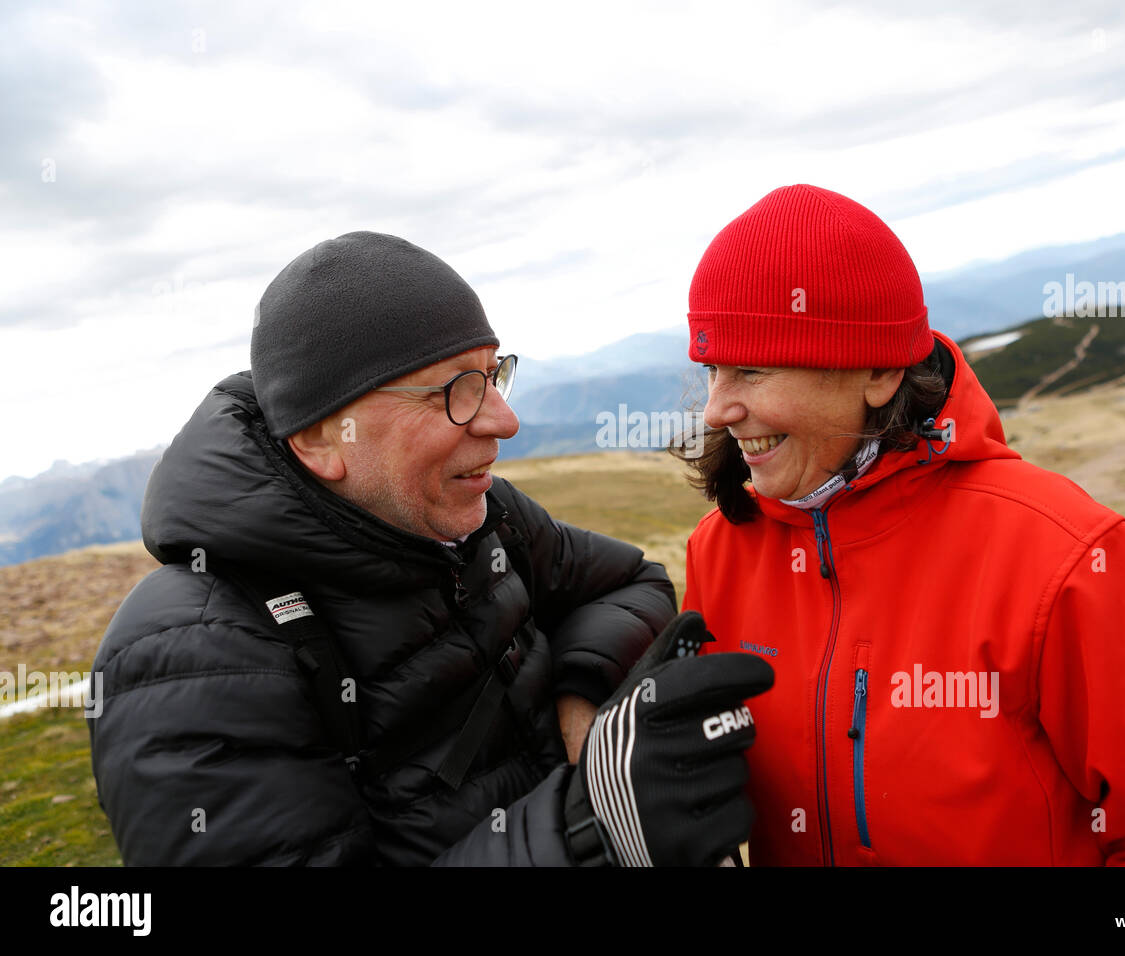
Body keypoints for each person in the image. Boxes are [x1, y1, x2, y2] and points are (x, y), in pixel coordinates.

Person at [88, 231, 772, 866]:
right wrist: (588, 828)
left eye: (491, 374)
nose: (504, 420)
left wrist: (580, 695)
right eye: (455, 391)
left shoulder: (486, 519)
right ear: (324, 438)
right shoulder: (189, 661)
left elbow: (630, 582)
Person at [677, 185, 1125, 865]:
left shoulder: (1066, 556)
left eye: (751, 370)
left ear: (878, 370)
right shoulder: (721, 552)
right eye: (710, 370)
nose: (714, 409)